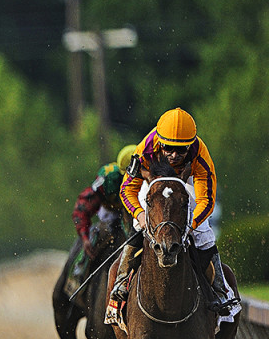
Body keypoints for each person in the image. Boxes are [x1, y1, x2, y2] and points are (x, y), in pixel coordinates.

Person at [108, 107, 236, 315]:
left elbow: (206, 200)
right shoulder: (144, 150)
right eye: (168, 148)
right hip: (155, 182)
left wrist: (190, 224)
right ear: (159, 141)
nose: (174, 155)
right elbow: (127, 189)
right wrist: (140, 215)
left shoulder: (201, 156)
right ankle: (122, 281)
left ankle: (221, 292)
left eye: (181, 150)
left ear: (191, 145)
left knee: (203, 232)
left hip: (188, 183)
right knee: (139, 225)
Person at [62, 144, 136, 295]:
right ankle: (77, 278)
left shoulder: (152, 178)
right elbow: (83, 206)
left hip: (137, 216)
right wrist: (85, 237)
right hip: (112, 214)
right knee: (100, 234)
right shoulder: (109, 177)